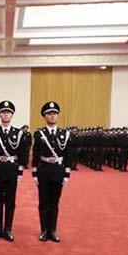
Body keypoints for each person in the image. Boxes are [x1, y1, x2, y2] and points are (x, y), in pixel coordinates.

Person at [0, 100, 29, 242]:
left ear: (12, 115)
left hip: (12, 169)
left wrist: (21, 172)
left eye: (8, 112)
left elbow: (23, 154)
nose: (6, 115)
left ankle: (8, 229)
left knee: (10, 201)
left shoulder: (19, 133)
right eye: (3, 112)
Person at [32, 102, 73, 243]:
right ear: (44, 116)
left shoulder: (65, 134)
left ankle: (53, 230)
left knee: (54, 203)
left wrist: (67, 174)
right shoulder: (39, 134)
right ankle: (44, 230)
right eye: (49, 114)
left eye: (54, 113)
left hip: (58, 170)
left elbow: (68, 155)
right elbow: (35, 154)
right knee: (43, 202)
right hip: (43, 170)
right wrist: (34, 173)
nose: (52, 116)